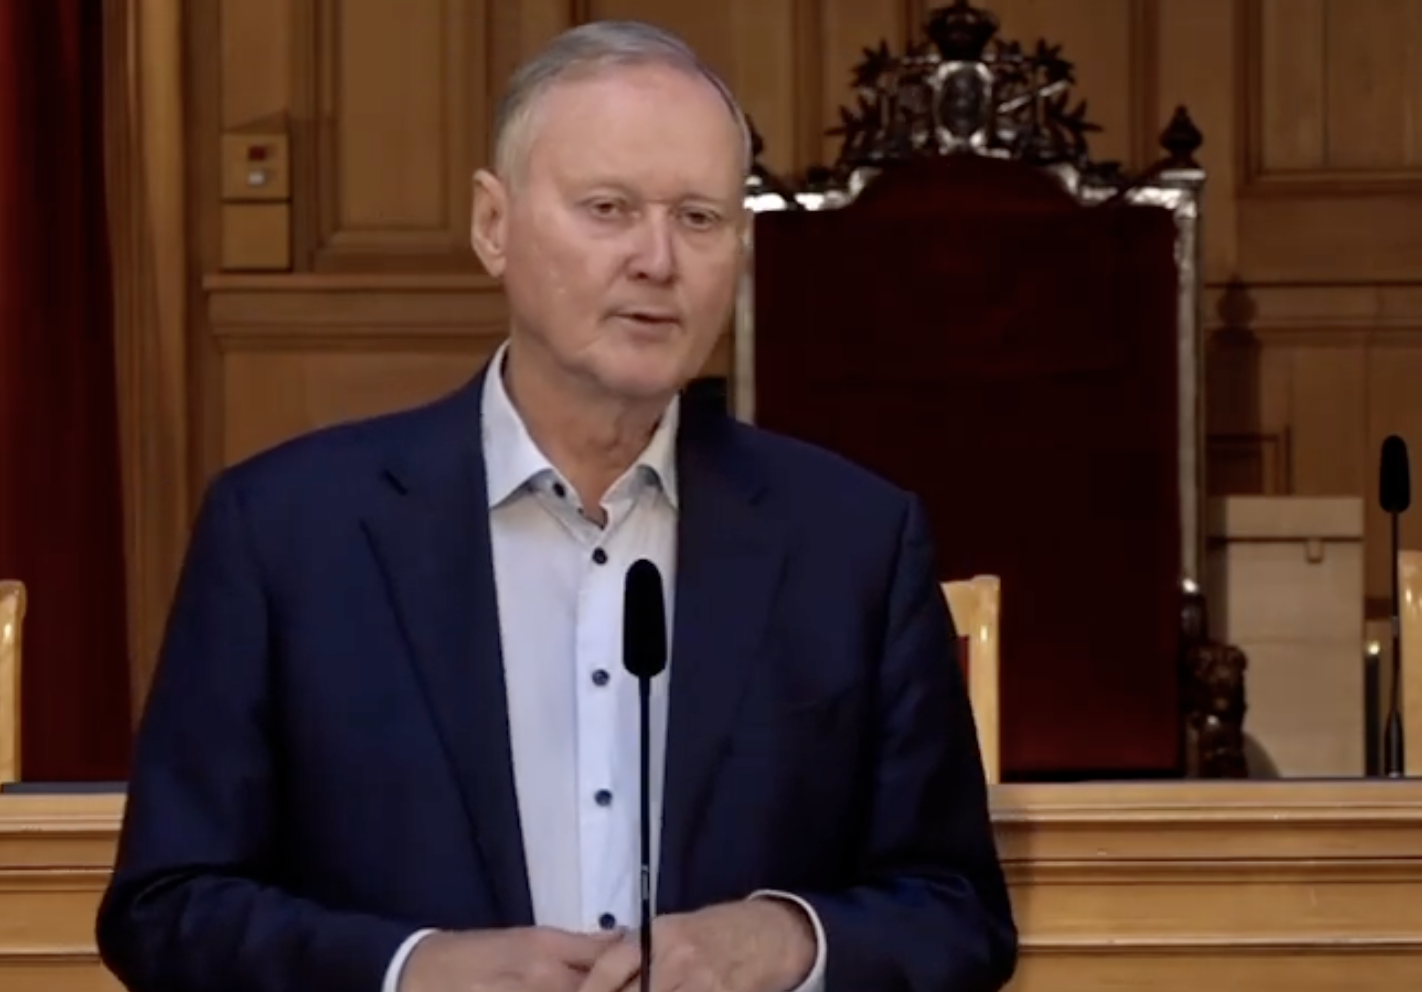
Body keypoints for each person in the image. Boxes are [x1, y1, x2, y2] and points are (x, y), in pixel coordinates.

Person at [95, 19, 1017, 992]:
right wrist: (410, 970)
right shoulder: (285, 532)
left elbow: (955, 911)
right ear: (492, 225)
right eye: (609, 208)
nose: (658, 259)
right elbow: (168, 905)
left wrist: (788, 939)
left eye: (700, 218)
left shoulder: (854, 540)